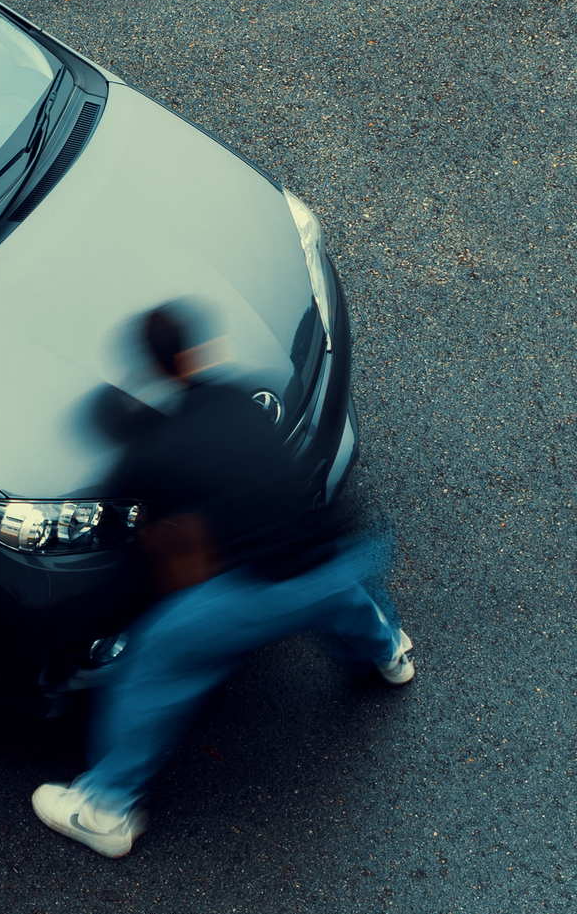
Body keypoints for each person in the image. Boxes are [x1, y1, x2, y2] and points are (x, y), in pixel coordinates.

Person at [31, 302, 416, 859]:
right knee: (343, 599)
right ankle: (390, 655)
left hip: (259, 590)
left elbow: (151, 560)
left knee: (159, 664)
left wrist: (78, 634)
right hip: (341, 551)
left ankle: (106, 808)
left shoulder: (146, 457)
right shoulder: (239, 397)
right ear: (191, 356)